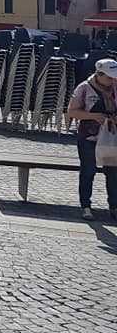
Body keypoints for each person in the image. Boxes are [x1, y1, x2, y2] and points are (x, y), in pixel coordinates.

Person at [66, 58, 117, 221]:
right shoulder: (84, 88)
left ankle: (114, 206)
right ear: (99, 74)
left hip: (111, 138)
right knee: (88, 171)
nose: (113, 80)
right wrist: (93, 116)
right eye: (109, 77)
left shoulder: (116, 87)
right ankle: (86, 206)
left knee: (113, 173)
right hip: (88, 136)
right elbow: (72, 112)